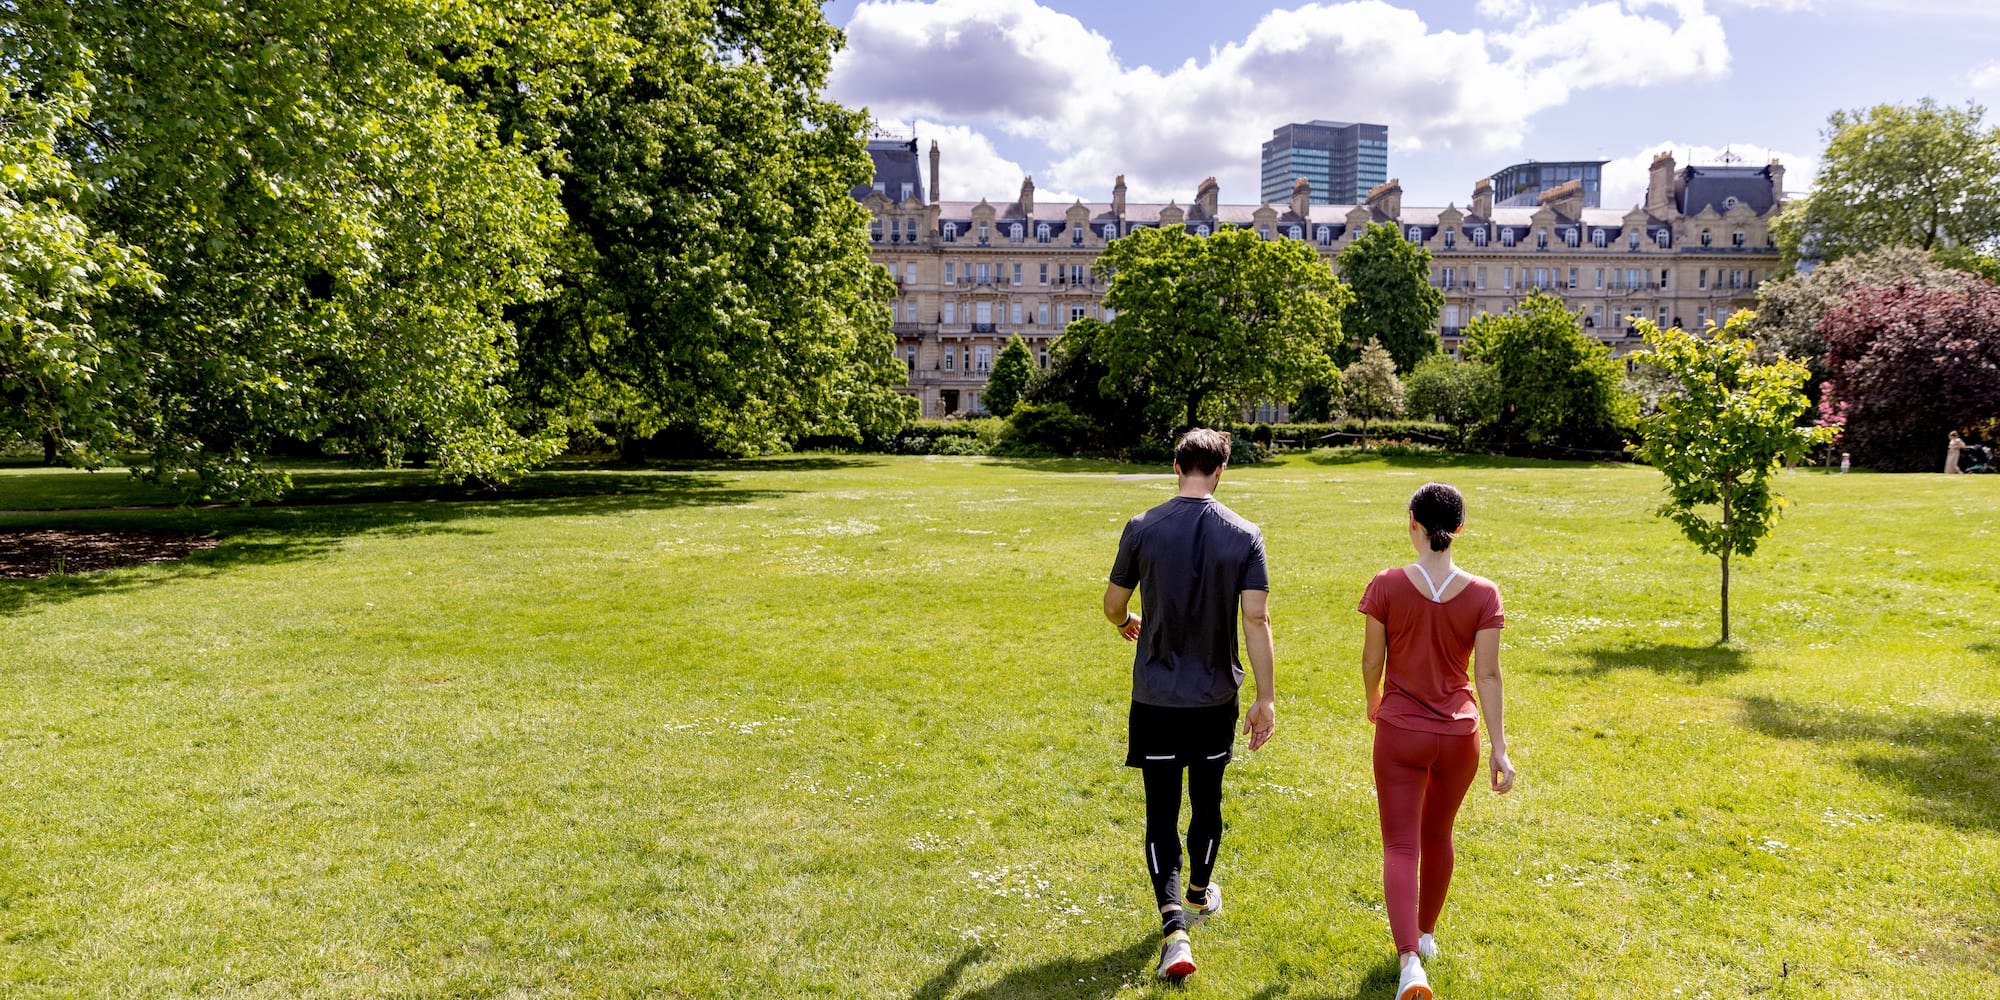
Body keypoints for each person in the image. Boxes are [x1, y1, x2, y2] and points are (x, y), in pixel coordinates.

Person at [1103, 428, 1276, 981]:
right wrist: (1266, 698)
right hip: (1214, 699)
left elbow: (1112, 605)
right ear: (1222, 470)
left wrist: (1128, 620)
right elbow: (1256, 619)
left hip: (1155, 698)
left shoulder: (1142, 526)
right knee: (1207, 800)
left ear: (1176, 465)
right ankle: (1199, 892)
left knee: (1160, 814)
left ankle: (1174, 930)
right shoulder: (1246, 534)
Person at [1358, 483, 1514, 1000]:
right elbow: (1487, 676)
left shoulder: (1386, 584)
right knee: (1438, 836)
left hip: (1400, 731)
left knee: (1401, 846)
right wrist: (1500, 748)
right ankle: (1425, 937)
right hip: (1459, 737)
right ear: (1460, 529)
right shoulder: (1484, 592)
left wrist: (1372, 697)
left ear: (1412, 524)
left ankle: (1409, 964)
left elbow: (1372, 660)